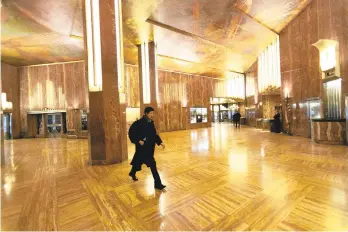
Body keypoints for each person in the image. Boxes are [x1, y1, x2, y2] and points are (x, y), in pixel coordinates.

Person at [128, 107, 166, 190]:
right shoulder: (138, 123)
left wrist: (160, 142)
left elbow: (154, 134)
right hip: (142, 149)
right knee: (150, 164)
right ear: (146, 113)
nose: (152, 115)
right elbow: (131, 132)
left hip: (149, 148)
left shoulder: (151, 123)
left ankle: (132, 172)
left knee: (140, 162)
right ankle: (157, 183)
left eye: (153, 113)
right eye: (151, 113)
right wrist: (138, 140)